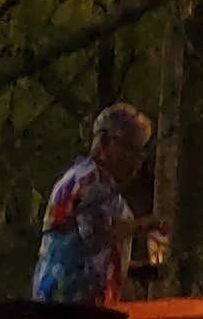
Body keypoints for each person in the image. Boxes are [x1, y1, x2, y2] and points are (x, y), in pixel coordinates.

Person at [32, 103, 156, 306]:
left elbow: (92, 252)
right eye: (131, 149)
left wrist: (132, 269)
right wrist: (144, 225)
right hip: (67, 306)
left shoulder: (108, 188)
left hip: (93, 308)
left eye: (140, 153)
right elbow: (96, 235)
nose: (137, 160)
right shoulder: (87, 180)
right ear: (105, 142)